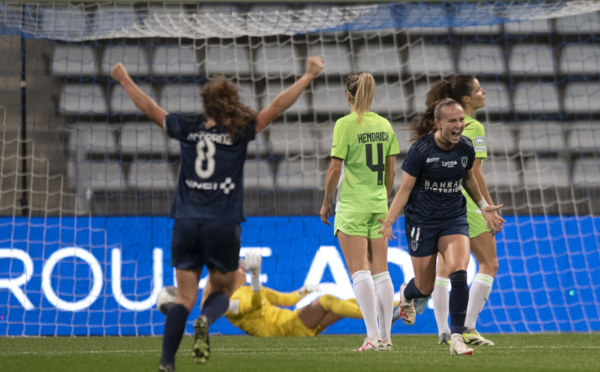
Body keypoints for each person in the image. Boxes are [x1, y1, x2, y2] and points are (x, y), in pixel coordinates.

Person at [111, 57, 323, 372]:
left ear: (205, 104)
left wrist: (124, 79)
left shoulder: (188, 129)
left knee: (183, 297)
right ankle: (205, 321)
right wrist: (307, 75)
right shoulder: (238, 132)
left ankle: (167, 362)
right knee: (223, 289)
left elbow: (150, 109)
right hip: (223, 224)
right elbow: (276, 106)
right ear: (231, 103)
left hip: (185, 222)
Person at [378, 98, 506, 356]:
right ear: (437, 123)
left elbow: (469, 179)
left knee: (459, 269)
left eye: (461, 120)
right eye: (452, 121)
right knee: (424, 286)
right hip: (421, 221)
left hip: (453, 218)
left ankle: (457, 337)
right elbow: (404, 189)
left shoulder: (466, 147)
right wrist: (389, 221)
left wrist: (482, 206)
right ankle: (406, 294)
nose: (459, 125)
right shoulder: (421, 151)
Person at [319, 73, 400, 351]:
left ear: (348, 96)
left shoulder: (345, 124)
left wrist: (326, 201)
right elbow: (391, 170)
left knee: (359, 271)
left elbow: (334, 169)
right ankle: (387, 339)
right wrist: (383, 198)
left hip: (352, 206)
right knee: (382, 271)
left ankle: (372, 337)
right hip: (379, 205)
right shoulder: (384, 124)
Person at [424, 76, 499, 346]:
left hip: (440, 202)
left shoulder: (441, 125)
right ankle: (467, 327)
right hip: (467, 204)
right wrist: (488, 208)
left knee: (445, 270)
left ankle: (444, 331)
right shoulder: (473, 126)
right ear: (466, 99)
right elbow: (474, 173)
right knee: (489, 264)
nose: (484, 91)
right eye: (479, 89)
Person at [201, 252, 400, 338]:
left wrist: (303, 291)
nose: (244, 269)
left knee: (344, 303)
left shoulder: (251, 289)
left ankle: (393, 304)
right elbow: (251, 306)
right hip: (281, 331)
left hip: (289, 324)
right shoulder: (226, 303)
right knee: (328, 300)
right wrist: (254, 278)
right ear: (229, 274)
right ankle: (383, 314)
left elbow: (285, 299)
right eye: (240, 267)